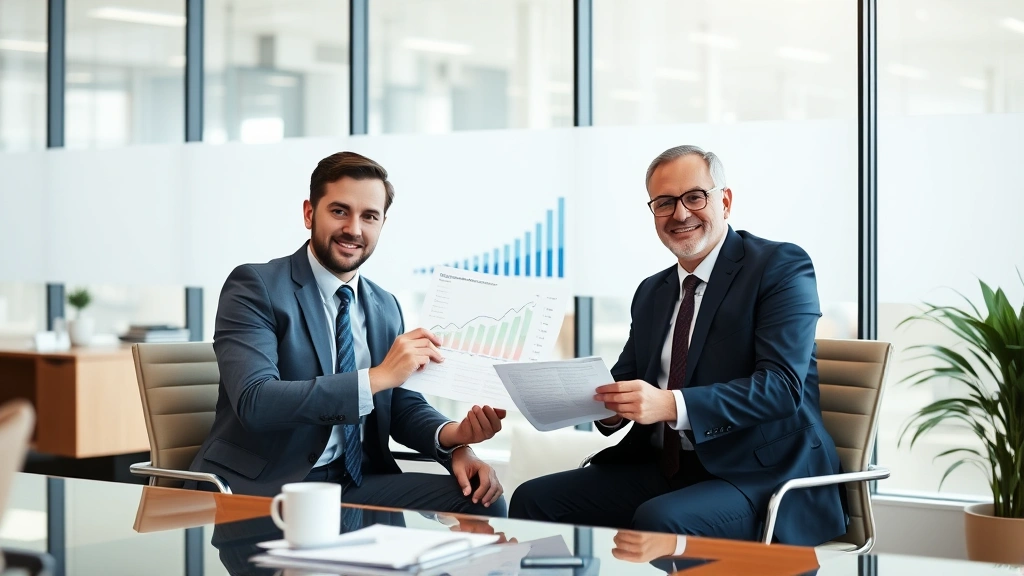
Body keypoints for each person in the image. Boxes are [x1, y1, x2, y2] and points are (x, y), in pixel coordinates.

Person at [509, 145, 846, 545]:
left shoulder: (780, 267)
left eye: (694, 197)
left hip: (762, 472)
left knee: (659, 520)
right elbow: (628, 377)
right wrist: (607, 408)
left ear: (725, 200)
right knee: (532, 500)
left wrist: (669, 405)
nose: (681, 214)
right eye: (665, 203)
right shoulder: (653, 290)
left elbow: (781, 388)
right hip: (666, 467)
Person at [189, 151, 506, 516]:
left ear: (382, 224)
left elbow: (399, 404)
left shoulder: (384, 304)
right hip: (271, 486)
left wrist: (456, 439)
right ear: (310, 213)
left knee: (483, 500)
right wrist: (376, 377)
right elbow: (256, 402)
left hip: (355, 481)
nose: (354, 229)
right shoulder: (255, 286)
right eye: (340, 211)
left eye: (369, 216)